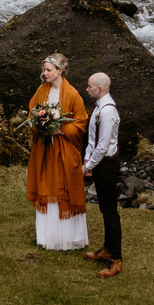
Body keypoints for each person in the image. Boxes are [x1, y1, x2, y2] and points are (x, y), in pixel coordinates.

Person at [24, 52, 89, 250]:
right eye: (44, 70)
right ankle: (47, 237)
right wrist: (41, 125)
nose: (45, 73)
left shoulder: (72, 94)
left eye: (48, 70)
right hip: (45, 149)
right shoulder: (41, 91)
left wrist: (60, 129)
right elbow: (31, 113)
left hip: (64, 148)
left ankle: (67, 238)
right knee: (46, 183)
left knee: (64, 186)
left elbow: (81, 122)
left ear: (60, 71)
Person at [82, 71, 123, 278]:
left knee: (110, 210)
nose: (86, 89)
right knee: (104, 208)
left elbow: (103, 144)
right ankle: (107, 249)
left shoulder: (107, 111)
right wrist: (88, 163)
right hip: (100, 162)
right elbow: (92, 139)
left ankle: (115, 259)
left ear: (100, 88)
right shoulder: (100, 108)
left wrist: (89, 164)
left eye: (89, 86)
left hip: (107, 164)